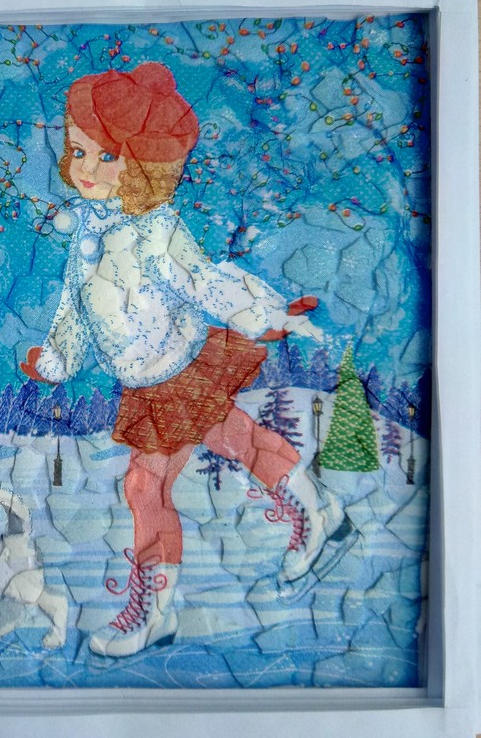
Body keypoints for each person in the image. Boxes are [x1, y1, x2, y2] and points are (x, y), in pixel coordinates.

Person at [20, 62, 345, 657]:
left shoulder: (156, 230)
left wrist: (266, 313)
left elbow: (205, 281)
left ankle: (155, 611)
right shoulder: (88, 227)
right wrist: (57, 358)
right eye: (78, 151)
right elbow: (76, 303)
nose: (86, 168)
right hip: (145, 380)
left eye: (107, 156)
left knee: (145, 485)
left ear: (142, 164)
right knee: (237, 439)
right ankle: (315, 506)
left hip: (178, 371)